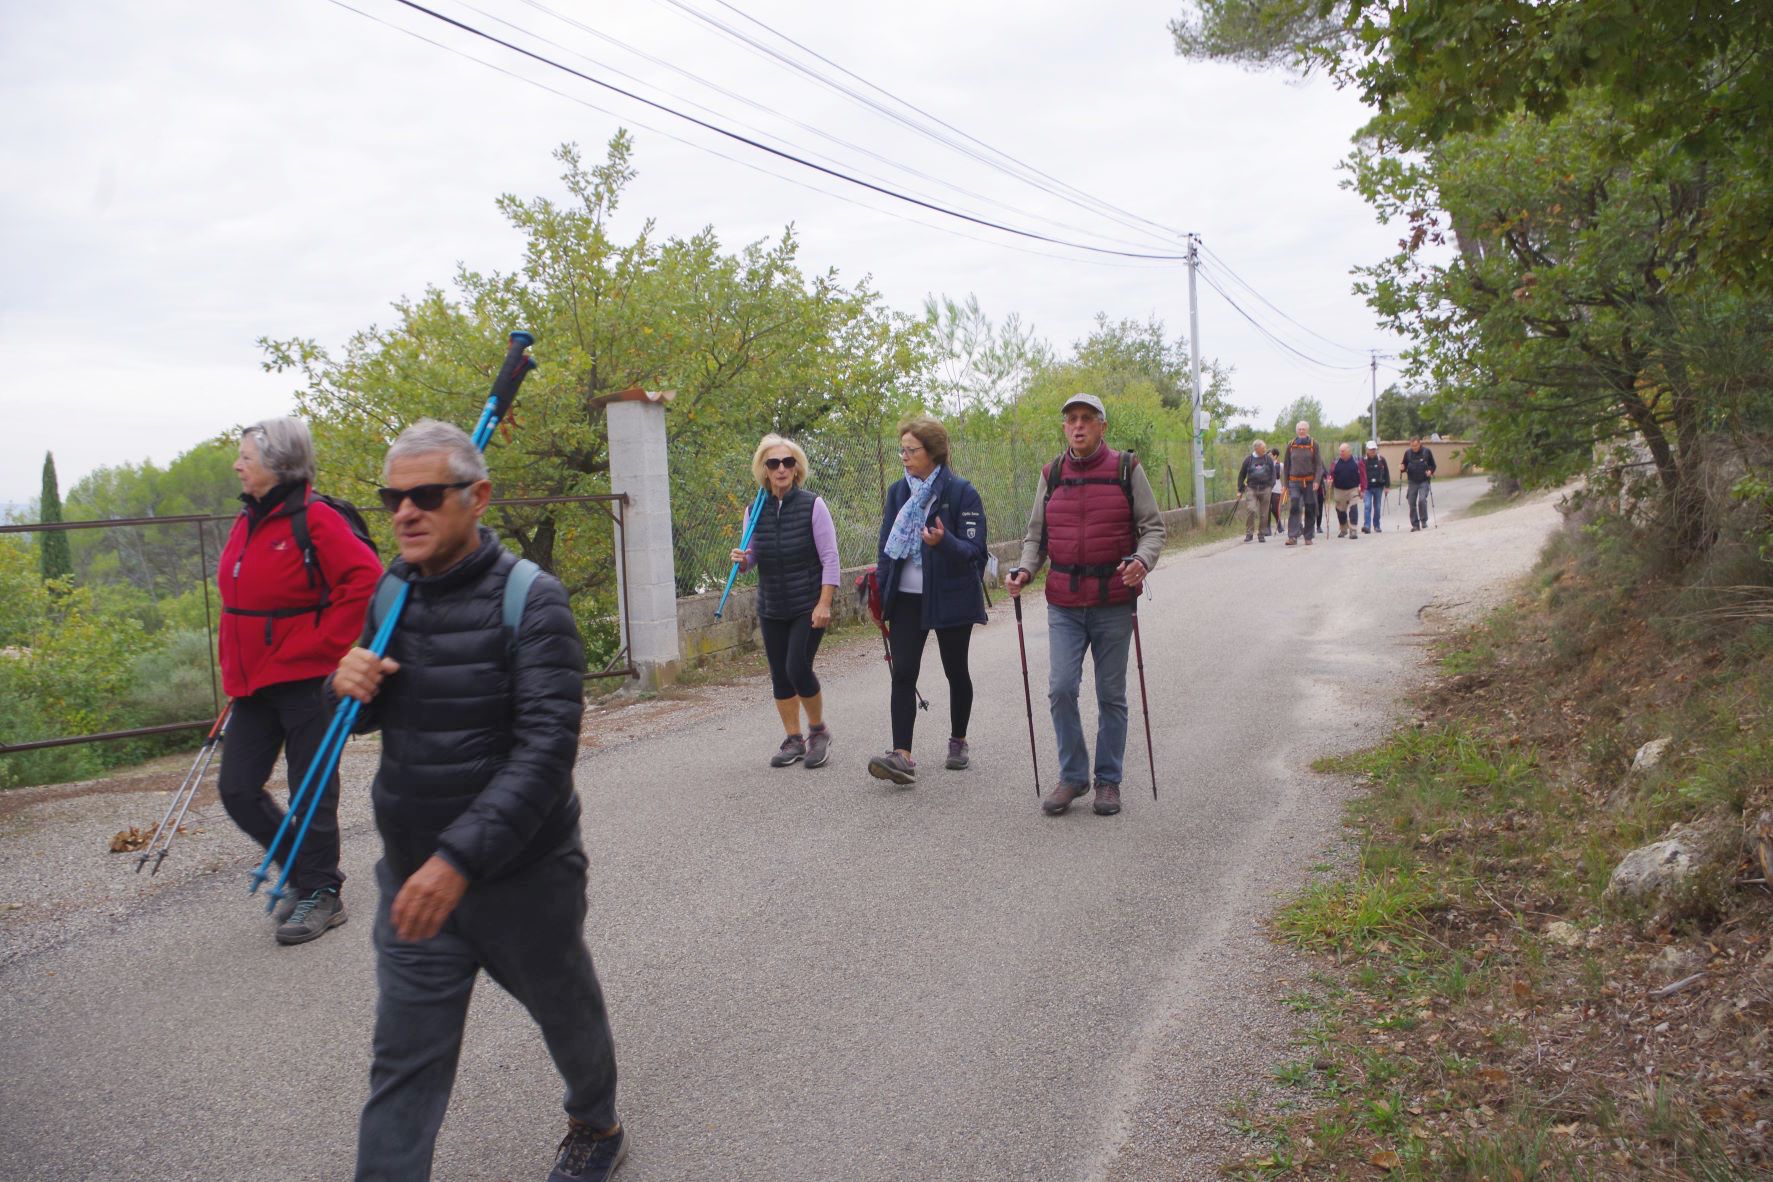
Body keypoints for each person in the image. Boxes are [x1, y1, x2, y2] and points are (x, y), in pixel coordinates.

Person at [329, 420, 626, 1182]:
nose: (404, 513)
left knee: (564, 1012)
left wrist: (459, 860)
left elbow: (545, 753)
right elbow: (382, 712)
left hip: (523, 877)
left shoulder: (534, 602)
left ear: (478, 497)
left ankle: (596, 1121)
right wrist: (351, 689)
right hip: (411, 878)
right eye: (391, 498)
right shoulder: (392, 591)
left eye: (425, 495)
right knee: (402, 1066)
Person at [217, 416, 380, 945]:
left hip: (308, 679)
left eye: (246, 456)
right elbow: (240, 605)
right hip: (254, 684)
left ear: (278, 463)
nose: (238, 464)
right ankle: (301, 870)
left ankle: (321, 892)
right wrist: (235, 668)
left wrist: (321, 648)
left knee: (310, 790)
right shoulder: (248, 520)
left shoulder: (316, 518)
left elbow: (365, 582)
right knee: (238, 789)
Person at [1005, 394, 1165, 817]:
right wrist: (1024, 569)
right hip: (1064, 603)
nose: (1078, 426)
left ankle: (1108, 781)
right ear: (1065, 428)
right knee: (1060, 689)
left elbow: (1153, 530)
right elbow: (1036, 537)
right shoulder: (1052, 474)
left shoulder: (1127, 469)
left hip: (1113, 601)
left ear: (1102, 426)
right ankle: (1073, 777)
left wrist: (1141, 561)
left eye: (1086, 419)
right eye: (1071, 420)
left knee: (1111, 694)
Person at [866, 414, 988, 785]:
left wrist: (943, 542)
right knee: (903, 672)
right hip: (906, 598)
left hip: (951, 596)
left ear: (933, 452)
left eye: (911, 450)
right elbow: (886, 549)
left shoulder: (960, 492)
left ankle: (958, 740)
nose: (904, 456)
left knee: (955, 670)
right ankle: (901, 754)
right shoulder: (897, 493)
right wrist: (882, 600)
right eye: (901, 449)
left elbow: (975, 550)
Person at [731, 433, 840, 769]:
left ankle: (818, 731)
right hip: (772, 605)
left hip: (807, 605)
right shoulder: (755, 509)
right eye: (774, 463)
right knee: (780, 674)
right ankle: (793, 739)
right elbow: (753, 558)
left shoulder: (813, 505)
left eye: (788, 462)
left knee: (797, 667)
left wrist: (824, 604)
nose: (781, 468)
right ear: (764, 470)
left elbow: (831, 558)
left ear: (797, 469)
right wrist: (743, 559)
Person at [1283, 420, 1329, 546]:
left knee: (1310, 507)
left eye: (1304, 429)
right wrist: (1285, 484)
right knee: (1295, 506)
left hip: (1309, 482)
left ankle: (1308, 536)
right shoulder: (1291, 445)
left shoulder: (1314, 444)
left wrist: (1317, 481)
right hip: (1294, 481)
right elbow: (1286, 465)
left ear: (1307, 430)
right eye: (1299, 429)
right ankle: (1292, 536)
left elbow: (1319, 465)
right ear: (1296, 431)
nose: (1301, 431)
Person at [1236, 439, 1280, 543]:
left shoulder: (1268, 459)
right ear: (1256, 448)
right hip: (1251, 488)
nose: (1265, 449)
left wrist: (1271, 486)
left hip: (1266, 489)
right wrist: (1240, 489)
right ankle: (1249, 534)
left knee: (1264, 513)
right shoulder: (1248, 459)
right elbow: (1241, 475)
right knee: (1251, 509)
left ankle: (1261, 534)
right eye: (1263, 448)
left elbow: (1273, 473)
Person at [1328, 442, 1368, 539]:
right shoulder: (1335, 462)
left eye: (1343, 451)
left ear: (1349, 451)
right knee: (1340, 511)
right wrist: (1329, 479)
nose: (1341, 453)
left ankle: (1353, 530)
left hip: (1353, 489)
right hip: (1339, 489)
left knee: (1353, 508)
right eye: (1340, 451)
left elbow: (1363, 476)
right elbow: (1331, 474)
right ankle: (1343, 529)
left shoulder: (1357, 461)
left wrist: (1363, 489)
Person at [1401, 436, 1438, 530]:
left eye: (1416, 445)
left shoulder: (1426, 452)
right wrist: (1402, 468)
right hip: (1412, 481)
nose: (1414, 448)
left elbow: (1433, 465)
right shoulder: (1408, 453)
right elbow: (1404, 465)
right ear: (1410, 445)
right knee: (1411, 502)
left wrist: (1430, 471)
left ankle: (1423, 520)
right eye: (1412, 446)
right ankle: (1415, 525)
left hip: (1424, 481)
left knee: (1422, 500)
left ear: (1419, 444)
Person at [1362, 441, 1390, 533]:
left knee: (1377, 507)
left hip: (1378, 487)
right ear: (1367, 450)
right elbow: (1360, 474)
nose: (1372, 451)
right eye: (1370, 449)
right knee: (1367, 505)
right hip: (1367, 488)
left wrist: (1387, 486)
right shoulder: (1363, 460)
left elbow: (1386, 473)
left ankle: (1377, 525)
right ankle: (1367, 525)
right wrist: (1360, 487)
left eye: (1374, 449)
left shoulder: (1381, 459)